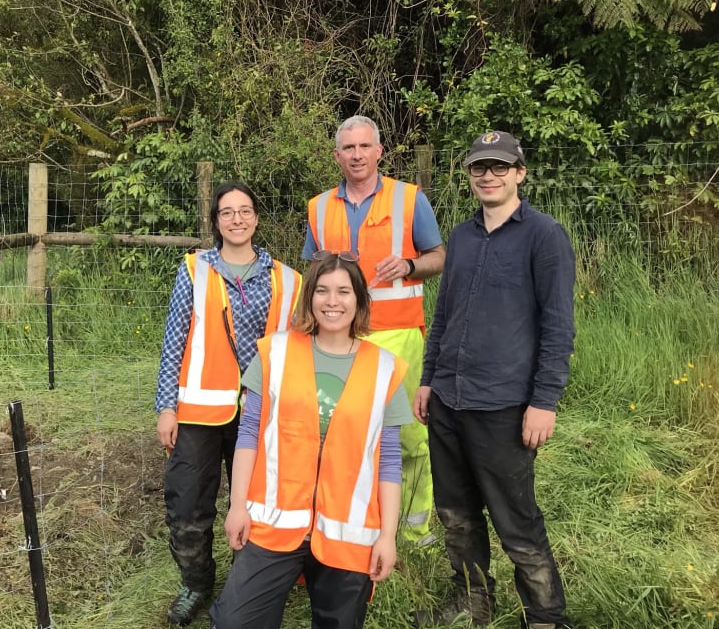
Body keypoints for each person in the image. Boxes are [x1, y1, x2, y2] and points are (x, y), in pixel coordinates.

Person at [412, 131, 575, 629]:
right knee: (455, 514)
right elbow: (444, 315)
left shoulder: (544, 236)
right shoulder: (460, 237)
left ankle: (545, 616)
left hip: (503, 406)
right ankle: (473, 599)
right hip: (447, 401)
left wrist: (543, 401)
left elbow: (558, 326)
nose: (488, 175)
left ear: (520, 173)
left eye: (499, 167)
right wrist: (428, 380)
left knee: (516, 520)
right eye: (479, 167)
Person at [208, 251, 410, 629]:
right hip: (272, 526)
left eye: (344, 292)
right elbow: (249, 435)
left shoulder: (385, 369)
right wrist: (237, 506)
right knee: (234, 621)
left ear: (360, 300)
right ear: (310, 298)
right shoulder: (274, 353)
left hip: (347, 535)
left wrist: (387, 537)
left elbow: (389, 462)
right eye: (322, 291)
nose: (332, 301)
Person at [155, 181, 303, 626]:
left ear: (256, 218)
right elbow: (173, 341)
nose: (236, 219)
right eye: (227, 212)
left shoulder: (288, 279)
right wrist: (166, 406)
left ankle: (246, 584)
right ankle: (196, 584)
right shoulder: (194, 270)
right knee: (187, 504)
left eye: (245, 211)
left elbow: (297, 347)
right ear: (216, 221)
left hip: (261, 412)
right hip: (198, 411)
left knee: (256, 503)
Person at [303, 115, 445, 545]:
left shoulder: (409, 199)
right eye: (349, 148)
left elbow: (439, 256)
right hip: (338, 339)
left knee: (409, 436)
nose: (357, 155)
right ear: (337, 156)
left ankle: (415, 529)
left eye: (365, 147)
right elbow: (312, 266)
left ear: (379, 151)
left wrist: (409, 265)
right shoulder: (319, 206)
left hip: (398, 335)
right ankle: (351, 522)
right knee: (340, 434)